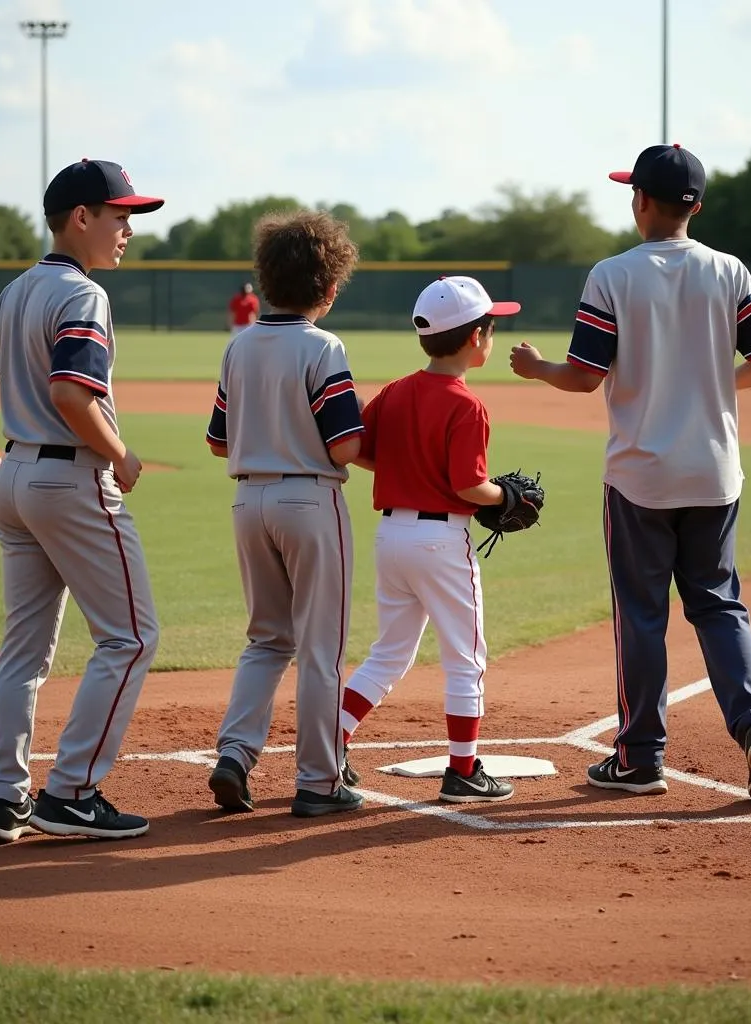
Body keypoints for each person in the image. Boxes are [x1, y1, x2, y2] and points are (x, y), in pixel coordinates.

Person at [509, 144, 751, 802]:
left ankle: (640, 759)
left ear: (640, 201)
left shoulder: (613, 274)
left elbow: (584, 378)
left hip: (640, 477)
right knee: (720, 606)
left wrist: (538, 366)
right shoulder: (729, 269)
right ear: (697, 204)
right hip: (715, 473)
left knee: (641, 614)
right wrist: (712, 391)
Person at [0, 159, 164, 843]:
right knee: (131, 637)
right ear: (82, 218)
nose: (128, 228)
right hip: (68, 482)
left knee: (23, 652)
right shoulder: (82, 295)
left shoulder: (18, 290)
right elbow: (73, 394)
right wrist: (119, 453)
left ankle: (3, 797)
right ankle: (70, 791)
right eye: (120, 215)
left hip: (13, 479)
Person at [205, 210, 366, 818]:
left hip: (249, 500)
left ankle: (235, 756)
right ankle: (319, 781)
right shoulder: (324, 346)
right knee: (321, 646)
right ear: (328, 288)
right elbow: (345, 444)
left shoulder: (238, 345)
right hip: (309, 500)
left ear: (266, 281)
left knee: (267, 640)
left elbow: (218, 440)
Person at [339, 276, 522, 804]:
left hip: (391, 536)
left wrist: (402, 471)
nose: (493, 336)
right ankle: (463, 771)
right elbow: (469, 485)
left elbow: (356, 450)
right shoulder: (468, 404)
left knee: (389, 654)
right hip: (441, 543)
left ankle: (333, 745)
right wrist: (504, 498)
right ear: (475, 339)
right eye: (491, 328)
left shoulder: (396, 390)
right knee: (466, 659)